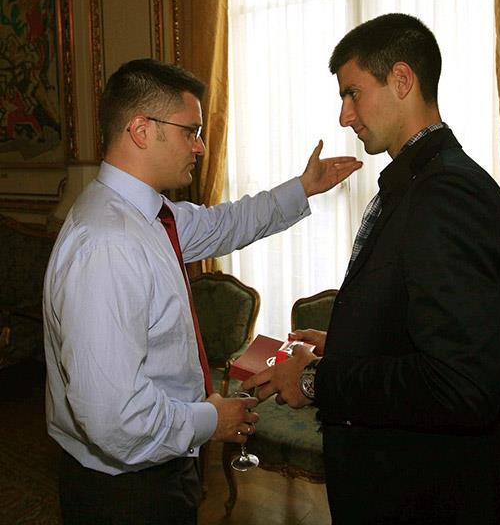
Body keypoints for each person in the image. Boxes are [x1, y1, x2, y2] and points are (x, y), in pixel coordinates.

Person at [42, 58, 362, 525]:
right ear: (141, 130)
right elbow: (113, 417)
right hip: (126, 489)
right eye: (190, 131)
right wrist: (212, 419)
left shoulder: (149, 216)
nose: (200, 145)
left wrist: (303, 188)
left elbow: (223, 224)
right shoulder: (108, 245)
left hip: (159, 460)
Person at [244, 13, 500, 524]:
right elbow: (423, 325)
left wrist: (314, 380)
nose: (344, 116)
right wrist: (347, 344)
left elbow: (460, 385)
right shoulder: (418, 181)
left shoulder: (449, 194)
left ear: (401, 79)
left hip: (426, 498)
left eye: (352, 93)